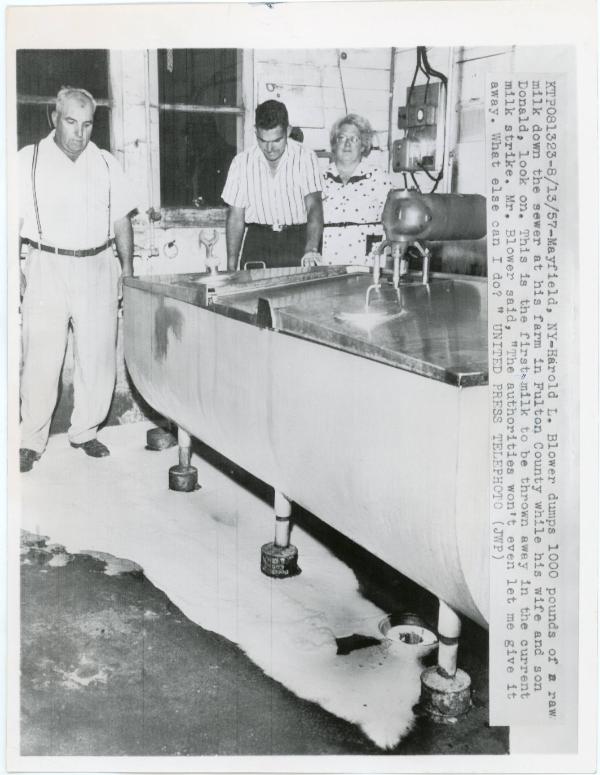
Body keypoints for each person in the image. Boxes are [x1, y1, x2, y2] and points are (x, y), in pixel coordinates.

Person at [18, 87, 138, 472]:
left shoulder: (105, 163)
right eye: (71, 121)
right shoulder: (28, 160)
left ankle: (85, 430)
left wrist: (128, 270)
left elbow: (122, 220)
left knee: (98, 355)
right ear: (54, 118)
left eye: (87, 124)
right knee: (41, 356)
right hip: (47, 264)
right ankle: (30, 440)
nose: (79, 132)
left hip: (97, 264)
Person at [222, 100, 323, 271]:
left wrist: (311, 248)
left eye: (277, 140)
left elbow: (314, 206)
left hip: (297, 241)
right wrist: (231, 266)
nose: (269, 148)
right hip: (258, 241)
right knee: (254, 297)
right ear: (255, 131)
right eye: (262, 140)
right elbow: (236, 218)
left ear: (288, 131)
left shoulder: (306, 157)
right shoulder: (241, 163)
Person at [321, 114, 393, 265]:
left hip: (367, 260)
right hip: (328, 260)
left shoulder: (378, 177)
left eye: (354, 139)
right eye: (342, 138)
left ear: (362, 145)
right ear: (335, 143)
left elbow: (391, 220)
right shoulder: (320, 178)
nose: (347, 144)